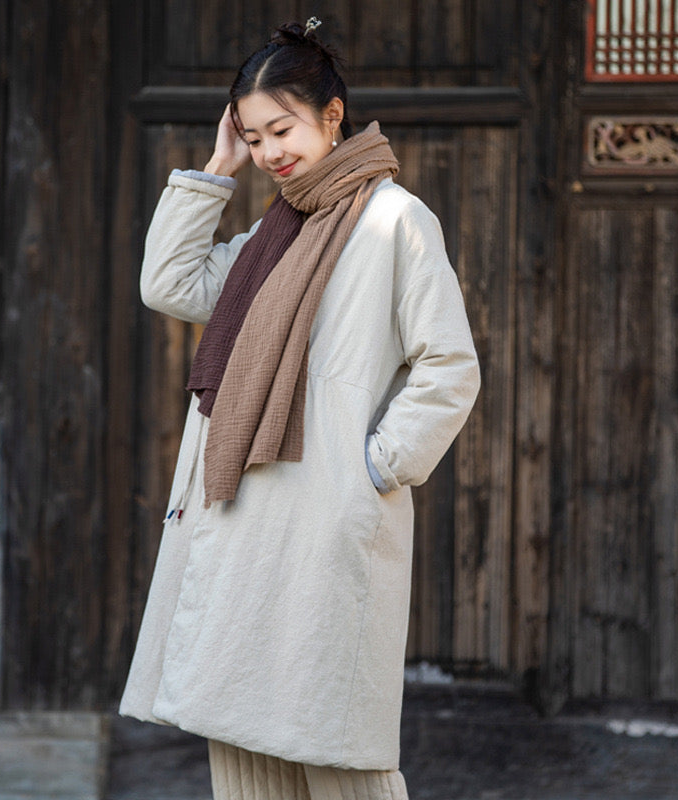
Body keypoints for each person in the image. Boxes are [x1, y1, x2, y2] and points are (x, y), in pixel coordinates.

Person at [119, 17, 480, 800]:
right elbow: (170, 285)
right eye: (253, 137)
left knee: (335, 749)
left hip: (322, 519)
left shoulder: (395, 221)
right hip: (243, 512)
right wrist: (215, 168)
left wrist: (371, 469)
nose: (269, 152)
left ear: (332, 114)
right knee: (240, 742)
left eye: (281, 130)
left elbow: (449, 368)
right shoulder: (273, 234)